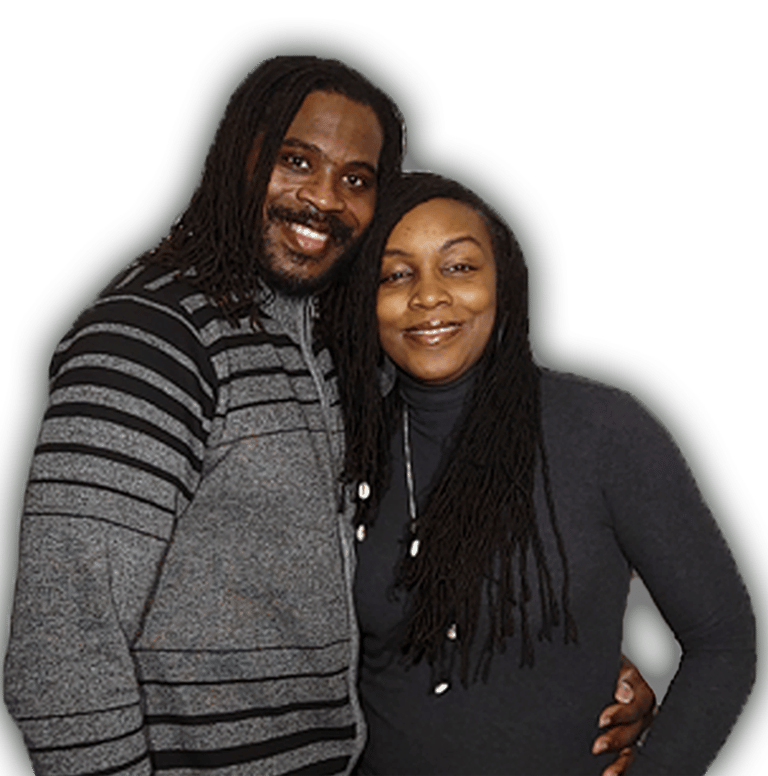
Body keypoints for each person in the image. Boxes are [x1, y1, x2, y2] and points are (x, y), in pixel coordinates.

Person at [5, 57, 652, 776]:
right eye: (296, 161)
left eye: (356, 180)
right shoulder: (151, 340)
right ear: (237, 157)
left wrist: (572, 663)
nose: (323, 198)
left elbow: (389, 586)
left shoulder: (339, 347)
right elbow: (60, 651)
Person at [323, 172, 756, 775]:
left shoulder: (604, 431)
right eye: (395, 275)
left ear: (504, 283)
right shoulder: (341, 446)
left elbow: (722, 640)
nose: (428, 296)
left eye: (459, 267)